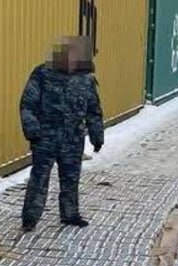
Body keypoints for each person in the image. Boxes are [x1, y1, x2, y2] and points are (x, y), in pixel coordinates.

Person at [19, 36, 104, 232]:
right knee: (39, 179)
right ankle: (30, 218)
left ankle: (70, 214)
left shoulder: (86, 80)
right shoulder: (42, 74)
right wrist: (32, 130)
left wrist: (97, 136)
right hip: (45, 138)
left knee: (71, 178)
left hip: (73, 140)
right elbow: (27, 104)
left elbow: (94, 111)